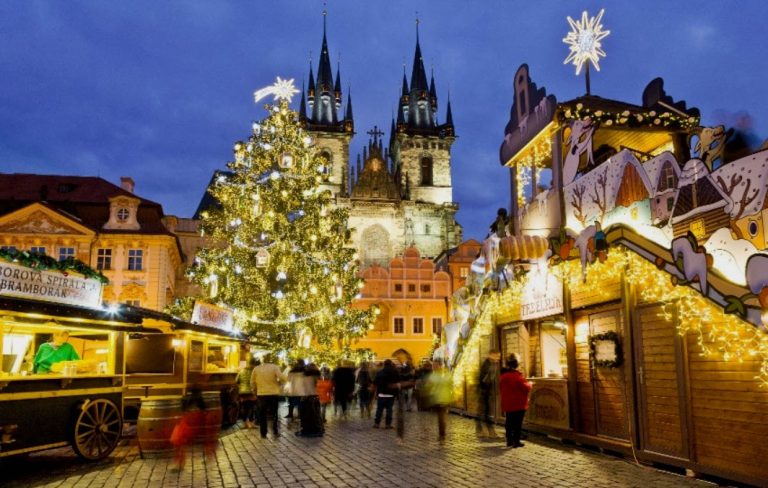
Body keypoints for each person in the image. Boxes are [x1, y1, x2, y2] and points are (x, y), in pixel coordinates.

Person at [499, 354, 532, 448]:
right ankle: (516, 441)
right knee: (517, 423)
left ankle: (509, 440)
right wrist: (530, 383)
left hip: (508, 403)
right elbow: (526, 388)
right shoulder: (517, 376)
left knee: (509, 422)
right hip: (518, 403)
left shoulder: (503, 376)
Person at [251, 354, 286, 438]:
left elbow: (252, 381)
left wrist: (254, 391)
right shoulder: (274, 367)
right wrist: (280, 383)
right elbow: (281, 377)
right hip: (273, 393)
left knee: (262, 413)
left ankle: (263, 432)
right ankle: (275, 430)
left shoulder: (256, 368)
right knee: (274, 413)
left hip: (261, 394)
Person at [425, 360, 453, 443]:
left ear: (440, 366)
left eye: (435, 365)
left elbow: (450, 383)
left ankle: (442, 435)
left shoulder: (443, 375)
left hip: (443, 398)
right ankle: (442, 435)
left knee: (441, 418)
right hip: (437, 398)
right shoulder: (435, 375)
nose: (433, 367)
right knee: (440, 418)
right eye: (433, 365)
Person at [476, 350, 501, 438]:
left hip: (489, 391)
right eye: (496, 356)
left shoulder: (493, 364)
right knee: (485, 412)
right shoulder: (486, 365)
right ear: (491, 355)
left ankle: (482, 431)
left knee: (485, 412)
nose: (498, 358)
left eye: (499, 357)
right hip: (484, 391)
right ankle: (488, 432)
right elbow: (484, 379)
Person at [297, 363, 323, 437]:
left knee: (308, 415)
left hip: (307, 397)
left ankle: (309, 429)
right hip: (312, 396)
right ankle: (315, 429)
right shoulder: (317, 376)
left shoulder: (305, 376)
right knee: (314, 414)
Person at [372, 359, 400, 429]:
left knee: (379, 409)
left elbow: (375, 382)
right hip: (391, 394)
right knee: (389, 410)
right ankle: (388, 424)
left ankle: (376, 423)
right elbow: (398, 382)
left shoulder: (380, 372)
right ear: (390, 364)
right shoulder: (395, 372)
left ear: (384, 364)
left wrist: (374, 391)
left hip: (381, 393)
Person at [236, 357, 259, 428]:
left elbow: (236, 380)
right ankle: (251, 423)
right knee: (252, 407)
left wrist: (241, 387)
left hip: (242, 392)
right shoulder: (254, 371)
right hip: (251, 392)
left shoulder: (241, 371)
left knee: (244, 408)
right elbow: (256, 382)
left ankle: (245, 424)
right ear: (253, 364)